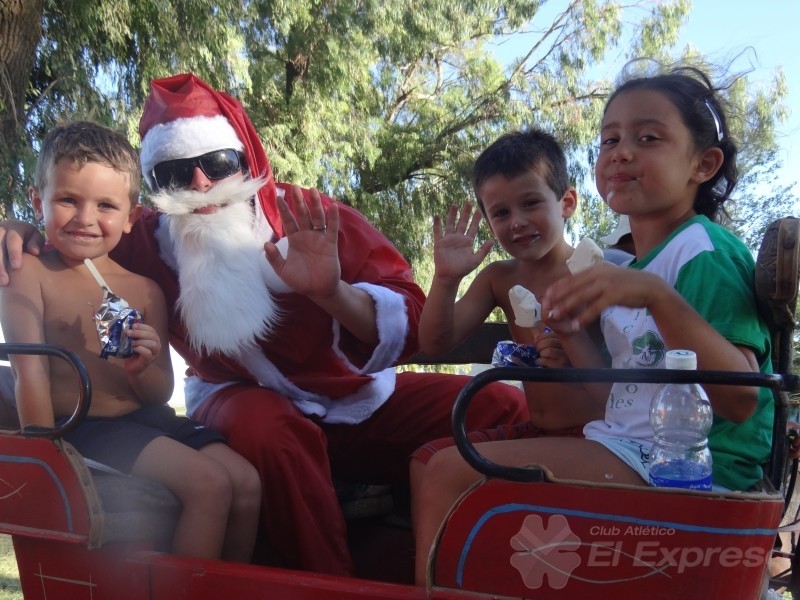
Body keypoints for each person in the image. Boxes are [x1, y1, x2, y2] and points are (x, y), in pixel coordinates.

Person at [0, 74, 528, 576]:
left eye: (217, 162)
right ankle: (328, 585)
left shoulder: (308, 216)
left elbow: (410, 323)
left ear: (244, 157)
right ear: (155, 188)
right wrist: (20, 231)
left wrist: (331, 292)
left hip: (352, 401)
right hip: (238, 403)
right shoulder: (142, 238)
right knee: (274, 433)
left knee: (498, 406)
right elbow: (77, 233)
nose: (201, 183)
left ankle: (482, 563)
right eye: (175, 173)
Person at [411, 63, 774, 584]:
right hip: (632, 445)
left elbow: (741, 400)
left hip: (694, 465)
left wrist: (655, 296)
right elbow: (616, 398)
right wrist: (570, 333)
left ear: (703, 163)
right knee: (439, 463)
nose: (621, 152)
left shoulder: (701, 254)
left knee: (450, 470)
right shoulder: (637, 267)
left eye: (648, 138)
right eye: (610, 140)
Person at [0, 120, 261, 563]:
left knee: (246, 483)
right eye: (67, 200)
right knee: (210, 485)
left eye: (105, 205)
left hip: (151, 419)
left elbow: (159, 391)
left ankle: (230, 586)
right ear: (37, 202)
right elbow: (31, 374)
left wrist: (141, 368)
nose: (85, 218)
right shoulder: (28, 274)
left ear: (130, 218)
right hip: (84, 429)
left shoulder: (145, 292)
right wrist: (47, 457)